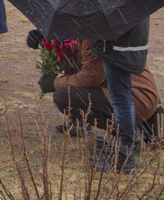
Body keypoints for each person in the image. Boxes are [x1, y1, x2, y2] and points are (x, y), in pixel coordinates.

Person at [26, 32, 160, 144]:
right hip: (133, 95)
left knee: (64, 96)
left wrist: (54, 83)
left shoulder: (92, 32)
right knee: (70, 92)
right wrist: (44, 39)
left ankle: (127, 133)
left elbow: (92, 76)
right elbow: (79, 62)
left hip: (136, 97)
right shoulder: (82, 27)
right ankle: (80, 122)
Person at [91, 18, 152, 173]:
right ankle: (129, 143)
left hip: (118, 47)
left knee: (120, 98)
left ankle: (125, 157)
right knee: (123, 96)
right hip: (134, 44)